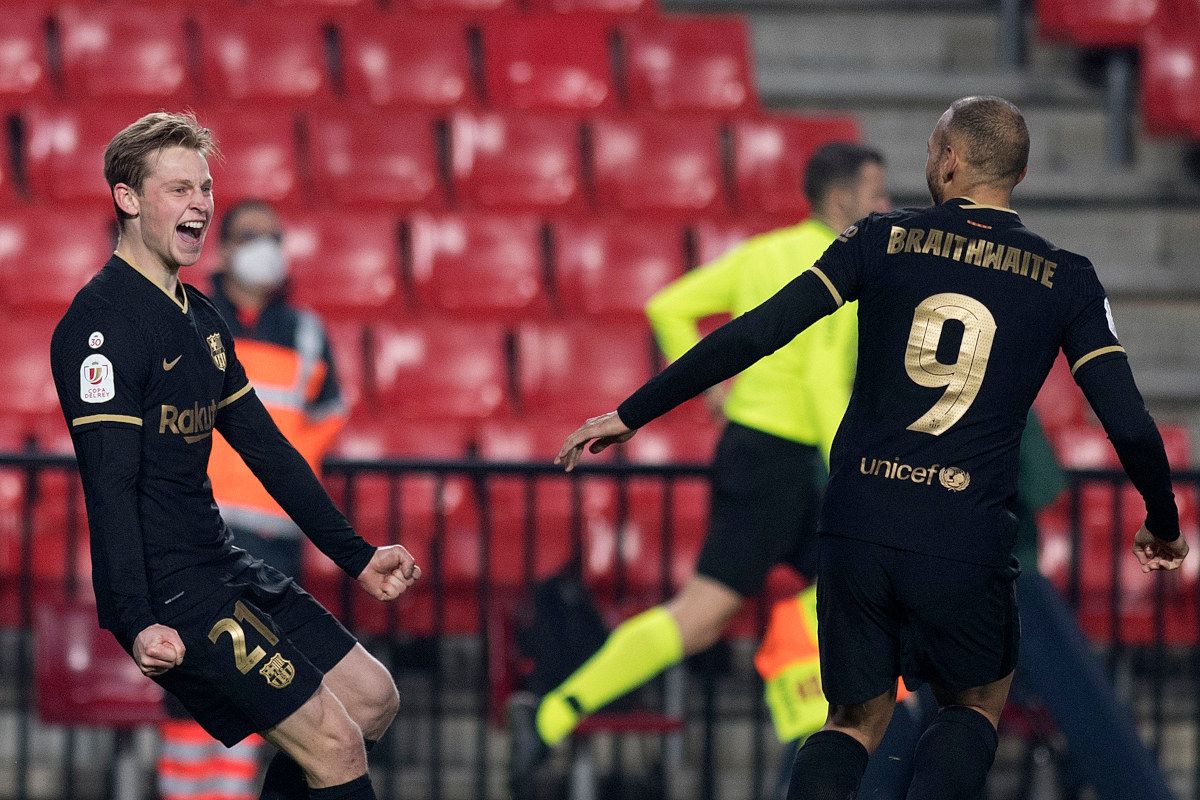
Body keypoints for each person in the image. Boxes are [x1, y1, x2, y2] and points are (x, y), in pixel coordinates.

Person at [553, 96, 1188, 800]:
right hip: (965, 528)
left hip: (860, 522)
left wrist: (634, 412)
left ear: (949, 159)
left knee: (853, 720)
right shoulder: (1067, 277)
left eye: (930, 146)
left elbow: (759, 330)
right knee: (972, 704)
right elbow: (1127, 421)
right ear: (1021, 170)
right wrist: (1163, 518)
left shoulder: (880, 239)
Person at [49, 111, 419, 800]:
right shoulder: (100, 328)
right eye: (179, 188)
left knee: (372, 700)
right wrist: (134, 619)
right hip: (173, 590)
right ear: (127, 199)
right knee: (334, 747)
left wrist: (358, 556)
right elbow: (109, 486)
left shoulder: (204, 319)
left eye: (206, 188)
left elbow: (270, 452)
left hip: (223, 561)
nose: (200, 205)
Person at [507, 142, 891, 796]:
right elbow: (828, 385)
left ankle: (822, 742)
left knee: (846, 599)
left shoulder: (762, 252)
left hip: (758, 450)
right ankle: (555, 710)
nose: (886, 205)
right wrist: (852, 472)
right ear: (841, 200)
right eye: (877, 193)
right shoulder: (836, 262)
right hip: (785, 459)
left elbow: (668, 305)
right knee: (709, 613)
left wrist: (718, 391)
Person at [156, 200, 349, 800]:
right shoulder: (184, 314)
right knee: (189, 683)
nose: (265, 246)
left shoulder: (307, 331)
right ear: (223, 246)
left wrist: (288, 470)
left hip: (271, 543)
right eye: (250, 236)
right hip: (194, 535)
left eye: (273, 236)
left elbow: (327, 415)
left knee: (257, 689)